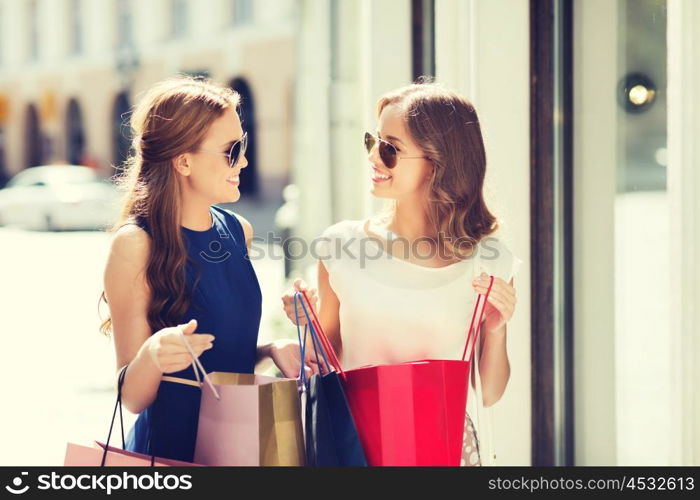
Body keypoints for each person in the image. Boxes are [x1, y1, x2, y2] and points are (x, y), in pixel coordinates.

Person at [282, 81, 522, 466]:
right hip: (354, 448)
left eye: (391, 149)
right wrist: (304, 321)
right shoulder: (340, 245)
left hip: (442, 452)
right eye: (373, 142)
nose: (375, 158)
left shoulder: (491, 260)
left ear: (439, 161)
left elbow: (489, 393)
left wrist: (495, 330)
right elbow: (323, 361)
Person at [99, 76, 309, 462]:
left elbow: (224, 354)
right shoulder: (135, 244)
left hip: (239, 444)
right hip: (171, 454)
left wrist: (269, 350)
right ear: (183, 160)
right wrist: (154, 354)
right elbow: (130, 396)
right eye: (231, 150)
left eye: (243, 147)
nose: (244, 161)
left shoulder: (238, 231)